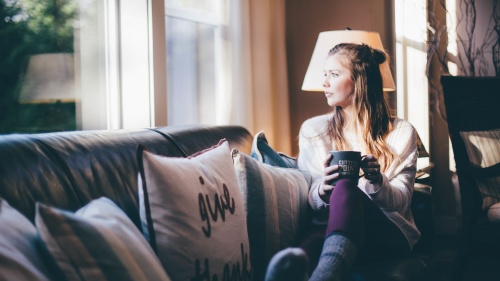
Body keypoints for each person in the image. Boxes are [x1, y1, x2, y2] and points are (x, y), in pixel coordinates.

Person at [264, 43, 421, 281]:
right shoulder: (314, 130)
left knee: (346, 187)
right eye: (324, 75)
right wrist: (322, 190)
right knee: (305, 250)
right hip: (334, 226)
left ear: (359, 81)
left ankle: (325, 276)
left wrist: (378, 182)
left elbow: (401, 202)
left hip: (388, 231)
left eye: (334, 75)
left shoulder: (401, 132)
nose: (324, 83)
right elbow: (313, 200)